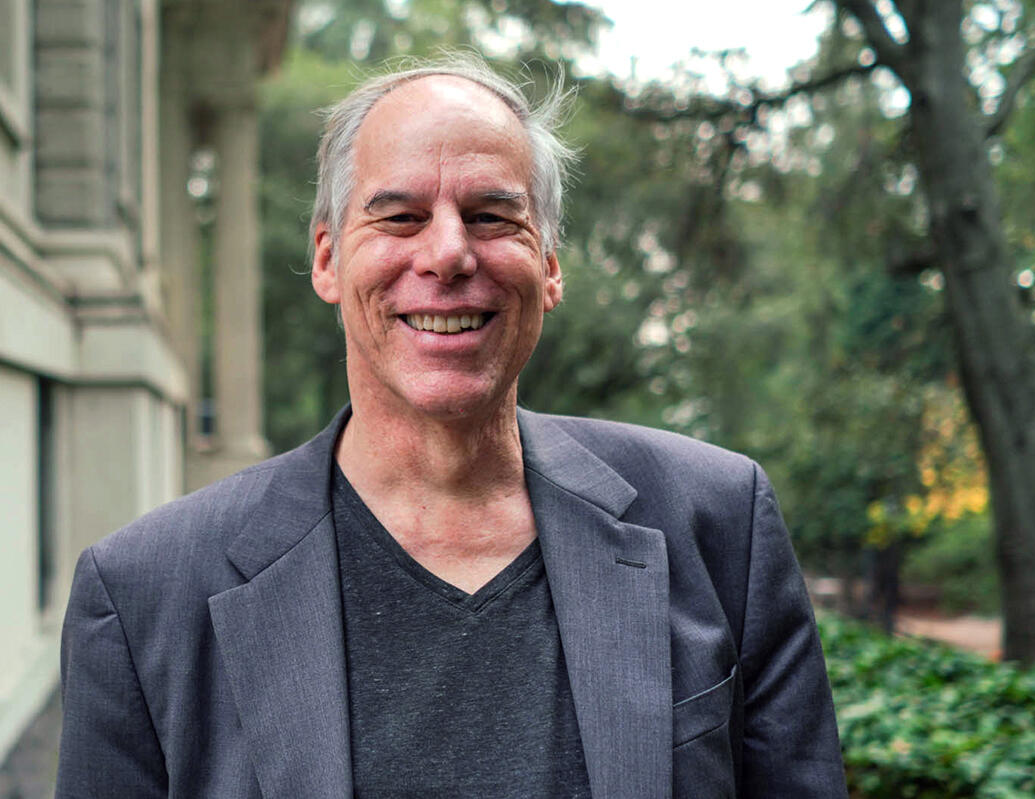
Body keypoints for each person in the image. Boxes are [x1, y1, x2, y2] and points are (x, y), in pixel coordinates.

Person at [56, 55, 847, 799]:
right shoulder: (143, 596)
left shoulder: (718, 524)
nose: (448, 252)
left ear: (550, 266)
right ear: (327, 260)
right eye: (398, 216)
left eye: (492, 215)